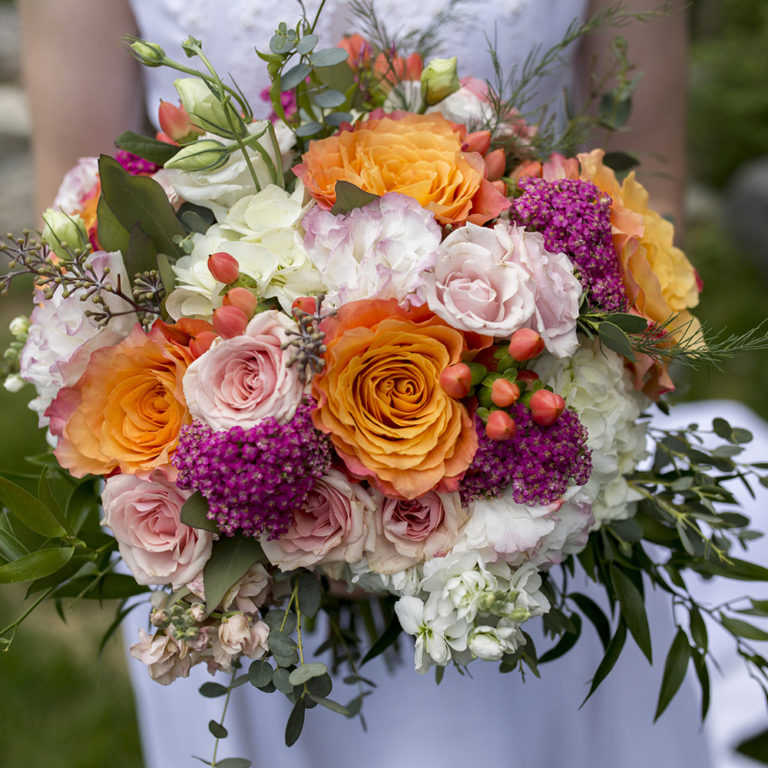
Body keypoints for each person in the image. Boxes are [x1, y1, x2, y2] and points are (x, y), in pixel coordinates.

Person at [18, 1, 752, 766]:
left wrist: (551, 402)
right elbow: (77, 232)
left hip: (529, 508)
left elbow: (648, 196)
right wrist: (300, 514)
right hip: (244, 562)